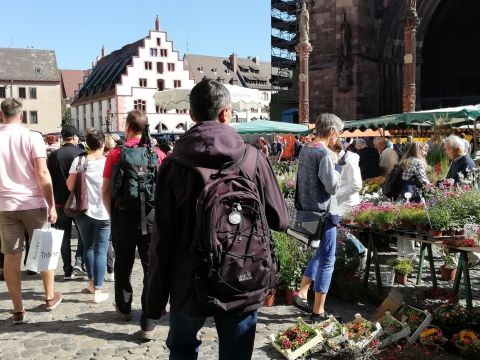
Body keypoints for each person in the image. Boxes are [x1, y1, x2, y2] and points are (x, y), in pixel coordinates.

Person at [146, 79, 289, 359]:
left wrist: (154, 299)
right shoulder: (253, 158)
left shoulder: (174, 165)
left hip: (189, 281)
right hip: (240, 273)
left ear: (191, 114)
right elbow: (281, 220)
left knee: (183, 347)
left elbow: (161, 237)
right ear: (225, 113)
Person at [102, 110, 166, 340]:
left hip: (123, 216)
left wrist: (113, 215)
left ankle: (123, 308)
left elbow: (106, 190)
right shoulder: (157, 154)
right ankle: (150, 317)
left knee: (123, 264)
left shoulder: (116, 154)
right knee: (151, 267)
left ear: (128, 126)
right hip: (150, 216)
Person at [0, 98, 62, 324]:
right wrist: (52, 204)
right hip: (33, 203)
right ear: (21, 115)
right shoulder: (32, 137)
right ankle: (48, 297)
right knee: (44, 250)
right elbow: (43, 174)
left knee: (11, 256)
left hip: (5, 205)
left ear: (1, 114)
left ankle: (18, 309)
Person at [293, 113, 343, 323]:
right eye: (338, 133)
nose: (338, 137)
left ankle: (303, 293)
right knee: (327, 260)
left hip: (306, 212)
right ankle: (319, 311)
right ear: (331, 132)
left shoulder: (306, 149)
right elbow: (331, 186)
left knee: (319, 254)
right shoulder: (324, 154)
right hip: (324, 215)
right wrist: (338, 167)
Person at [67, 129, 110, 303]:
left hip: (82, 210)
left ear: (87, 143)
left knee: (88, 247)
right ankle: (98, 291)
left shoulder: (79, 160)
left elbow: (70, 185)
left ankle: (91, 283)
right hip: (104, 211)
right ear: (103, 143)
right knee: (101, 250)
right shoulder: (108, 162)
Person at [47, 125, 86, 280]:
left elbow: (48, 179)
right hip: (77, 202)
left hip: (59, 202)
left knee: (64, 238)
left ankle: (67, 270)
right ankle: (79, 261)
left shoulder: (54, 155)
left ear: (63, 138)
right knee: (83, 235)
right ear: (75, 137)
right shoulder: (80, 154)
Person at [397, 142, 430, 259]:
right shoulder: (418, 162)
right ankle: (411, 255)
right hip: (413, 195)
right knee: (412, 224)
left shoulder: (405, 160)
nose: (425, 153)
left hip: (403, 193)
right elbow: (423, 180)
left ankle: (401, 254)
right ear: (419, 151)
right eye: (424, 150)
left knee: (403, 224)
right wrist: (433, 188)